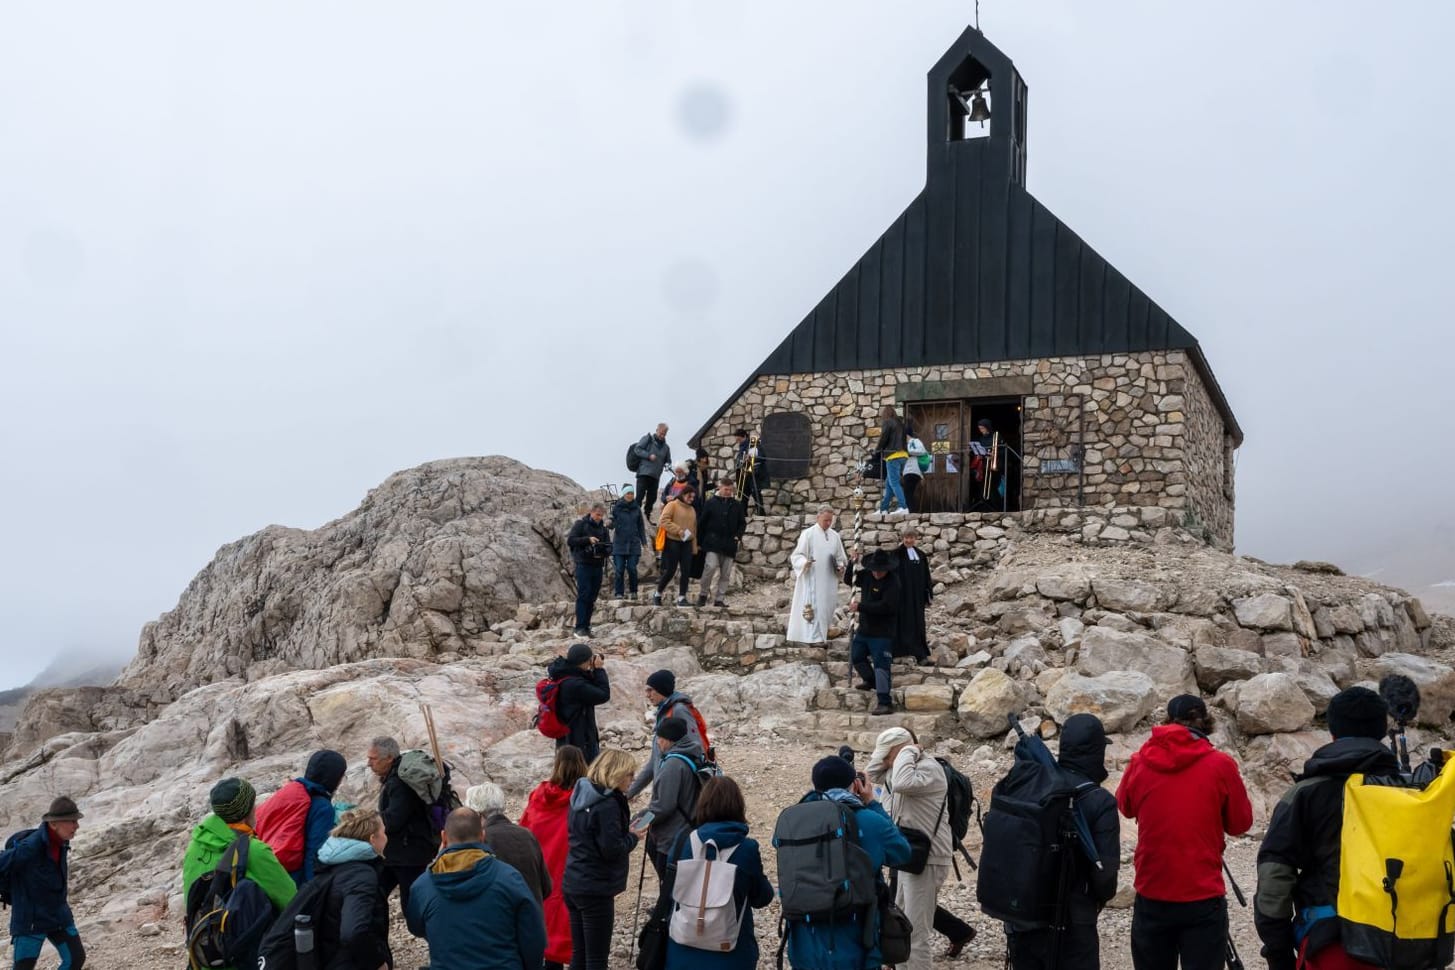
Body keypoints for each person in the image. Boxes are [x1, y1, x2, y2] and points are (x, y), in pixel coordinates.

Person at [1254, 686, 1399, 970]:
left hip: (1332, 944)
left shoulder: (1305, 794)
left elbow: (1274, 875)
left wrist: (1278, 950)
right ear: (1382, 731)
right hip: (1408, 943)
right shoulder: (1413, 792)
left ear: (1332, 732)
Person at [1117, 695, 1253, 970]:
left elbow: (1126, 807)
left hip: (1152, 890)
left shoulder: (1140, 761)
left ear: (1168, 721)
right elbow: (1240, 824)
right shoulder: (1221, 765)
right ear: (1206, 722)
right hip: (1202, 895)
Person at [1003, 714, 1121, 970]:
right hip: (1075, 923)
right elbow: (1105, 875)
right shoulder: (1100, 801)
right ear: (1095, 751)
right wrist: (1097, 900)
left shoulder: (1034, 786)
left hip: (1024, 918)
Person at [783, 755, 912, 969]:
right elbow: (902, 852)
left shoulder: (795, 822)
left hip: (804, 942)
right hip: (855, 943)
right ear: (855, 784)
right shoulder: (870, 821)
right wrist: (872, 804)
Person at [406, 808, 546, 970]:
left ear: (443, 837)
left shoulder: (423, 886)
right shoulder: (509, 878)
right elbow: (533, 938)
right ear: (482, 836)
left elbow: (416, 927)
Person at [663, 776, 775, 970]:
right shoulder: (747, 848)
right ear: (738, 806)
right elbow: (761, 898)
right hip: (730, 952)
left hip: (682, 947)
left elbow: (670, 887)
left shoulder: (682, 840)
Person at [864, 728, 950, 970]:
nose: (886, 762)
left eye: (888, 755)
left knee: (916, 934)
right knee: (902, 927)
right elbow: (868, 778)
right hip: (910, 856)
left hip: (929, 858)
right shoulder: (899, 768)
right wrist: (889, 755)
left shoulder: (928, 769)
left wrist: (908, 749)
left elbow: (902, 783)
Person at [564, 749, 640, 970]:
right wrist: (633, 837)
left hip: (574, 881)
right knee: (596, 958)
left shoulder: (581, 794)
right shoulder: (607, 804)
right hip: (595, 888)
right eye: (629, 774)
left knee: (579, 953)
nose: (632, 780)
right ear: (616, 773)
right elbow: (612, 849)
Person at [520, 746, 590, 970]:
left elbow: (525, 828)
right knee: (571, 930)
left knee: (545, 924)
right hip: (572, 868)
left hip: (542, 866)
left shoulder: (539, 795)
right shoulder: (584, 799)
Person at [182, 777, 297, 912]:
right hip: (243, 931)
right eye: (253, 804)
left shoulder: (195, 846)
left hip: (202, 930)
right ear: (246, 812)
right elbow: (292, 901)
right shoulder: (253, 850)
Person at [0, 797, 87, 970]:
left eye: (76, 820)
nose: (76, 826)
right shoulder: (30, 847)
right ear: (53, 824)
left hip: (58, 916)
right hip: (30, 921)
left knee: (76, 959)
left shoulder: (62, 842)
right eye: (71, 821)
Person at [309, 807, 394, 970]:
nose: (386, 837)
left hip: (328, 956)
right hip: (350, 962)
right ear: (373, 839)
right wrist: (376, 962)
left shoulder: (331, 864)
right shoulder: (361, 875)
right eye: (384, 832)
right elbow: (353, 932)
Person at [254, 748, 348, 886]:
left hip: (271, 869)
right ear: (334, 777)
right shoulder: (323, 807)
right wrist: (312, 889)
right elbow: (315, 852)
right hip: (295, 878)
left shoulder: (292, 791)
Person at [367, 736, 438, 914]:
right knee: (377, 892)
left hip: (409, 855)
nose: (369, 764)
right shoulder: (395, 776)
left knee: (411, 905)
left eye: (373, 759)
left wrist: (368, 823)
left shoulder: (400, 783)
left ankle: (428, 933)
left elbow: (394, 820)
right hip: (401, 852)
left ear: (389, 758)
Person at [637, 718, 707, 879]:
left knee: (670, 885)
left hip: (672, 838)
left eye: (659, 738)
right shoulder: (693, 753)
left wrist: (641, 822)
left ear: (668, 739)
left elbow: (663, 806)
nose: (658, 743)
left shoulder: (673, 764)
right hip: (689, 829)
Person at [465, 782, 551, 903]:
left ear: (478, 814)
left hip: (500, 918)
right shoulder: (527, 835)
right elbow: (546, 888)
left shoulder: (479, 842)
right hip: (533, 916)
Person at [628, 669, 708, 798]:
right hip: (665, 786)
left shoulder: (679, 710)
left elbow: (695, 747)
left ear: (662, 689)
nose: (647, 695)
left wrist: (672, 768)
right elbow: (654, 760)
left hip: (677, 791)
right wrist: (629, 793)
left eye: (650, 690)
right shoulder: (664, 711)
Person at [846, 549, 901, 716]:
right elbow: (850, 579)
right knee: (856, 656)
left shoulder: (894, 583)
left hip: (882, 632)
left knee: (881, 665)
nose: (876, 573)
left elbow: (886, 607)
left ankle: (885, 701)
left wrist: (860, 607)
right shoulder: (868, 575)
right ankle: (871, 681)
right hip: (864, 629)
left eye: (880, 571)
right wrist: (851, 563)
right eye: (874, 570)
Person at [786, 506, 847, 644]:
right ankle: (814, 638)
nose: (828, 523)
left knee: (827, 606)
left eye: (830, 521)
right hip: (812, 578)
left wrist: (840, 566)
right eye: (825, 520)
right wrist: (804, 563)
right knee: (813, 607)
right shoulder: (808, 534)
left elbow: (840, 557)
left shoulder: (835, 536)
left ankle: (824, 632)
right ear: (817, 517)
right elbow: (797, 555)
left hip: (829, 579)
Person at [544, 643, 611, 764]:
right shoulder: (575, 684)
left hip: (566, 738)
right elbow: (603, 695)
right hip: (580, 740)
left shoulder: (564, 674)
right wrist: (599, 670)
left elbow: (588, 684)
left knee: (570, 775)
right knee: (584, 777)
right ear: (585, 661)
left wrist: (592, 670)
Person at [696, 477, 747, 607]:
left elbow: (742, 523)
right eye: (726, 489)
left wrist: (737, 536)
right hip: (712, 542)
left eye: (730, 490)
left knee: (726, 574)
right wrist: (699, 542)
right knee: (710, 567)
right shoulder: (710, 503)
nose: (728, 492)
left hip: (729, 544)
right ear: (720, 487)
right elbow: (702, 523)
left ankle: (719, 599)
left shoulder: (737, 505)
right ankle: (703, 595)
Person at [567, 503, 611, 638]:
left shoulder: (604, 530)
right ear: (591, 512)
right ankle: (579, 627)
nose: (599, 518)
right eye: (597, 515)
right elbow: (571, 540)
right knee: (584, 595)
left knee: (592, 597)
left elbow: (609, 546)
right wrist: (588, 540)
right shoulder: (581, 524)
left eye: (601, 516)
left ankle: (586, 627)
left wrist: (605, 550)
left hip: (598, 565)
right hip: (583, 564)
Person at [890, 527, 933, 665]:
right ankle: (898, 651)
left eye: (911, 538)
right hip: (902, 596)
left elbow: (926, 575)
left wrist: (928, 594)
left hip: (917, 596)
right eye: (906, 537)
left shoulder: (920, 555)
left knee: (918, 623)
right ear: (902, 538)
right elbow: (892, 576)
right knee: (902, 623)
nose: (909, 540)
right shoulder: (896, 554)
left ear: (915, 539)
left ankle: (920, 654)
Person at [653, 485, 698, 607]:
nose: (691, 499)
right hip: (672, 541)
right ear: (683, 494)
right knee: (671, 571)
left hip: (687, 543)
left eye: (693, 497)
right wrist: (678, 530)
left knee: (686, 571)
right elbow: (664, 520)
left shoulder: (692, 510)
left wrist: (694, 547)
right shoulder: (672, 505)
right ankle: (657, 594)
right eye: (690, 496)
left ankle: (681, 598)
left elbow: (694, 530)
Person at [609, 484, 649, 601]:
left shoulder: (637, 508)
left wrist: (644, 543)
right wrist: (609, 523)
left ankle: (633, 591)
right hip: (619, 544)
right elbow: (612, 522)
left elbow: (641, 526)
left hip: (633, 544)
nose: (630, 495)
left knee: (632, 568)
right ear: (624, 494)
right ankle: (619, 593)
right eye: (628, 493)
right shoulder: (617, 507)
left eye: (632, 493)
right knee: (619, 569)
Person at [632, 424, 672, 520]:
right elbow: (637, 449)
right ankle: (634, 515)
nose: (662, 436)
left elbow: (668, 460)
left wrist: (668, 465)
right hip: (643, 473)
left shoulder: (666, 448)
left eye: (664, 434)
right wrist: (648, 455)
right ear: (657, 430)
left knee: (652, 498)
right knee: (640, 496)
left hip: (655, 476)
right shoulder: (648, 439)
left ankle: (647, 516)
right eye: (661, 433)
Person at [877, 405, 910, 515]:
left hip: (892, 455)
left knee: (894, 482)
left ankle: (903, 507)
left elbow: (884, 438)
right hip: (903, 455)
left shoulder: (888, 422)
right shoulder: (901, 423)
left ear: (885, 414)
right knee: (889, 483)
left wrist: (877, 450)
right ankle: (884, 509)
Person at [731, 429, 766, 515]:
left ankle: (761, 514)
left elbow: (762, 457)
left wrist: (751, 458)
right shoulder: (741, 448)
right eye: (737, 440)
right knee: (743, 497)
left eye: (739, 440)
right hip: (743, 475)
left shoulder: (755, 444)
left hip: (753, 474)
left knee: (756, 494)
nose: (738, 442)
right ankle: (743, 516)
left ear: (745, 437)